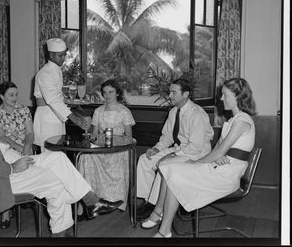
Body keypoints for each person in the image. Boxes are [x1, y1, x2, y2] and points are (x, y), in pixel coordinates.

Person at [0, 80, 123, 237]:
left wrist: (15, 155)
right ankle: (68, 227)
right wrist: (14, 167)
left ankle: (90, 200)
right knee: (57, 180)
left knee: (58, 158)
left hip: (4, 162)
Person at [141, 77, 256, 237]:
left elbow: (219, 152)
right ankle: (161, 220)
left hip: (227, 174)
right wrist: (214, 157)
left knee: (175, 172)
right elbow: (217, 151)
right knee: (169, 167)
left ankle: (162, 224)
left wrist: (196, 162)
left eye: (225, 95)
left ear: (238, 96)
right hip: (220, 165)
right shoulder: (232, 120)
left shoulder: (242, 121)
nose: (221, 99)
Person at [136, 77, 214, 222]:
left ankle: (156, 206)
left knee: (165, 165)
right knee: (144, 159)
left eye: (173, 92)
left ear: (185, 94)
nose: (170, 96)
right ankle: (148, 202)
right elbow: (167, 137)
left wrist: (172, 155)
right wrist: (156, 149)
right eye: (169, 92)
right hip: (180, 148)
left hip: (197, 153)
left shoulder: (196, 113)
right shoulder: (174, 112)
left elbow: (195, 146)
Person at [78, 79, 136, 211]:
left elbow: (129, 137)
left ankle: (113, 199)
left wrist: (116, 141)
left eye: (111, 92)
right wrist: (88, 132)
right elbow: (94, 135)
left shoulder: (124, 111)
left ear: (117, 93)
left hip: (119, 149)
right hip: (102, 147)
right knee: (84, 157)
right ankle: (88, 200)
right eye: (105, 92)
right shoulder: (98, 111)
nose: (108, 95)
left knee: (117, 158)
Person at [0, 81, 34, 229]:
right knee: (8, 173)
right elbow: (1, 137)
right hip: (6, 151)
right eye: (11, 95)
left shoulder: (24, 110)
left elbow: (29, 133)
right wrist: (19, 148)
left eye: (16, 94)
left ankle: (27, 197)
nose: (14, 98)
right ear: (2, 96)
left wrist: (27, 146)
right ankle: (6, 210)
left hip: (24, 148)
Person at [33, 38, 91, 150]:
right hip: (47, 120)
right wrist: (73, 117)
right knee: (49, 157)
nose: (64, 58)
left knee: (58, 155)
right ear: (51, 55)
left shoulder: (56, 70)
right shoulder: (45, 73)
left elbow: (58, 96)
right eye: (60, 56)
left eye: (64, 55)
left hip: (56, 118)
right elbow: (52, 99)